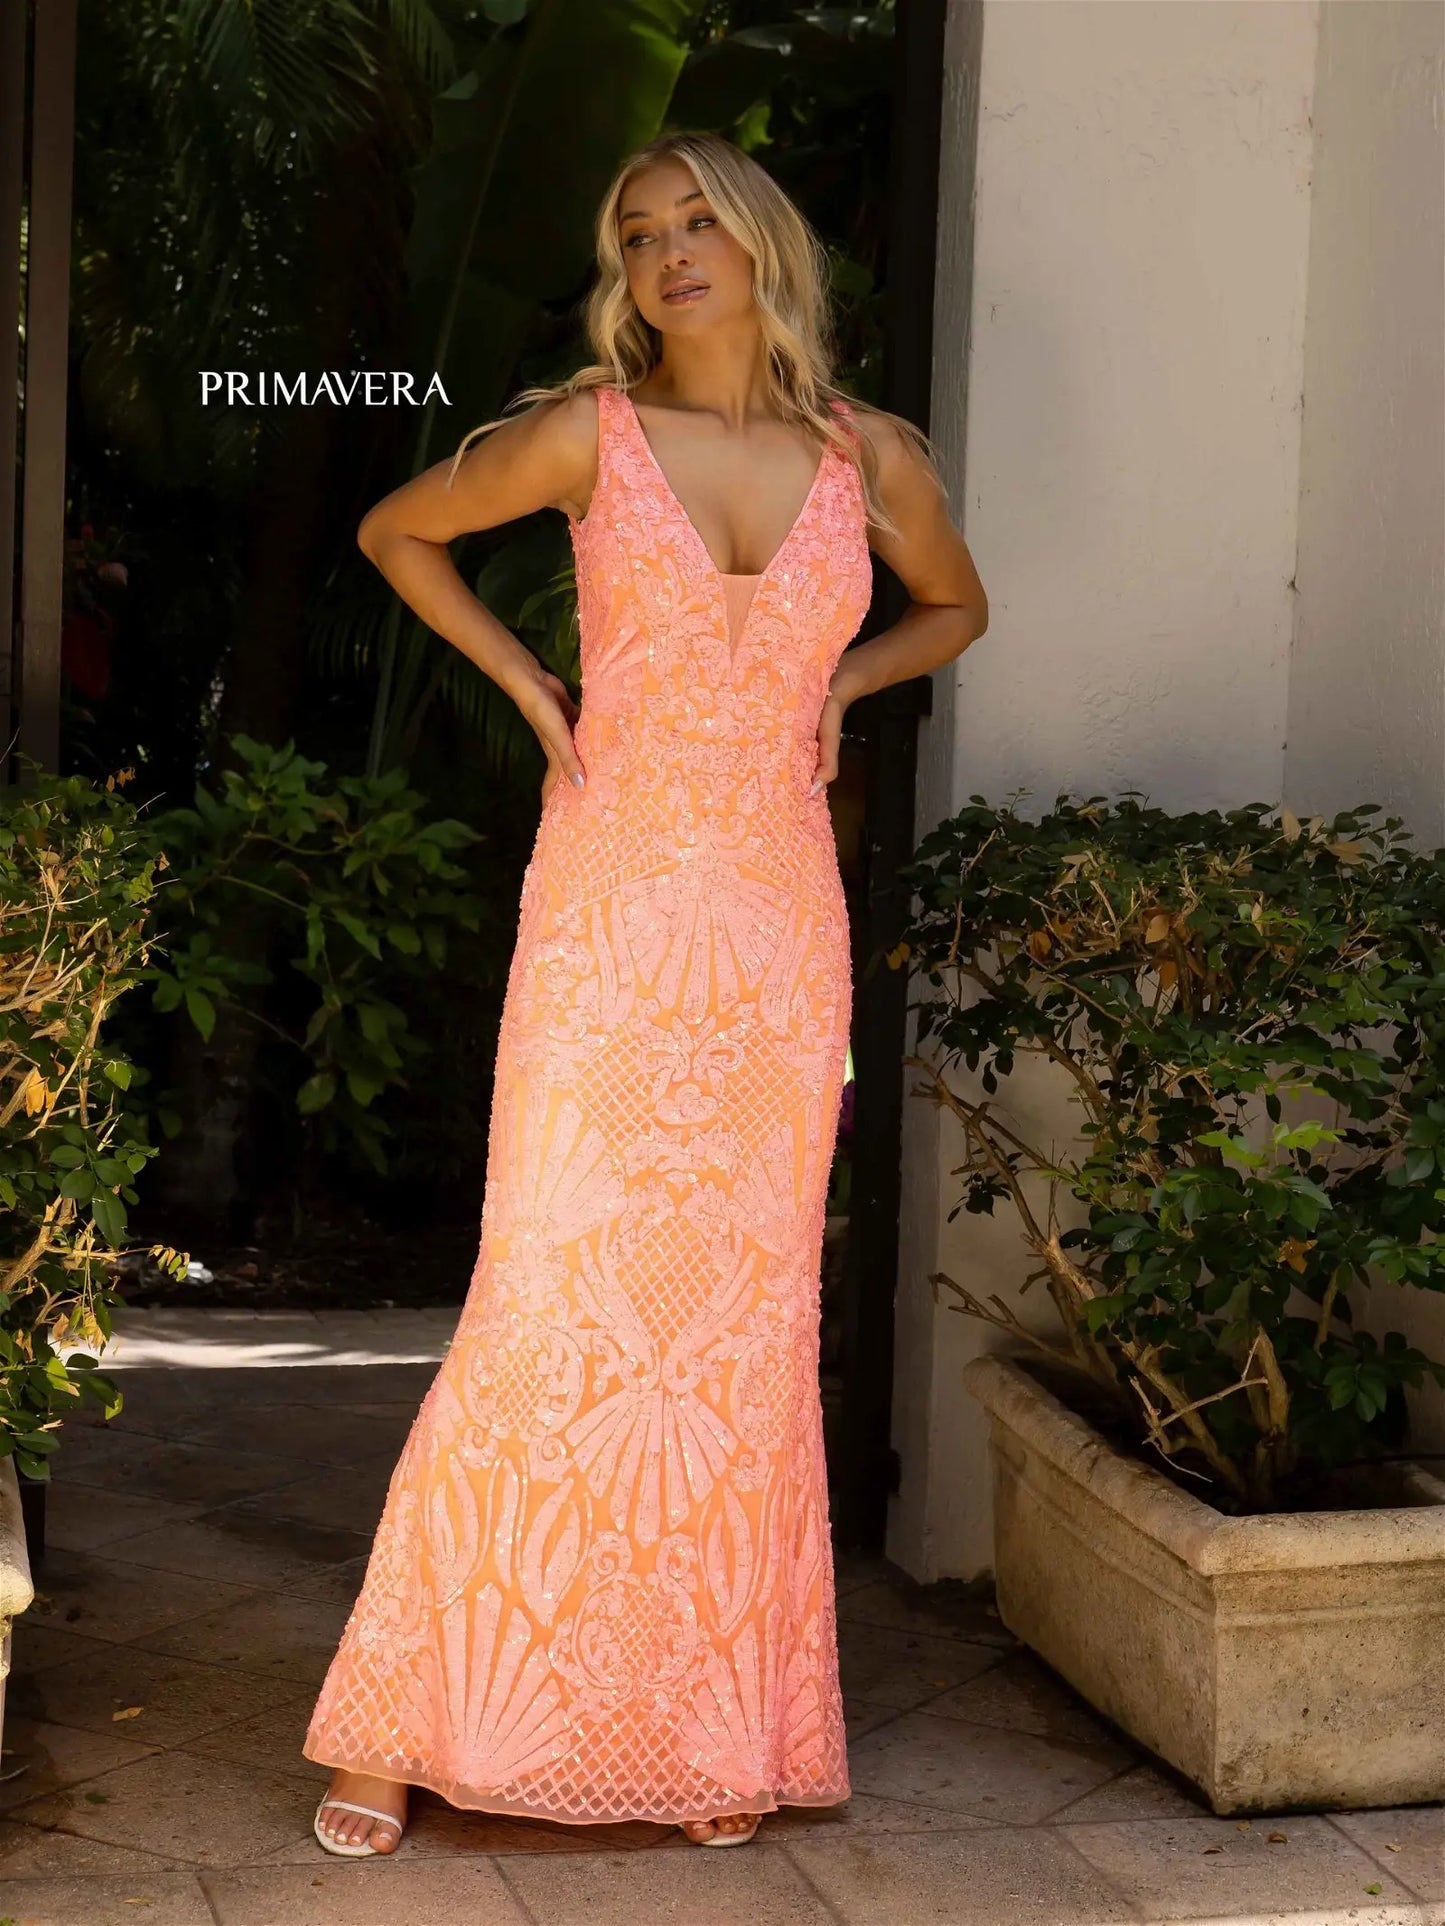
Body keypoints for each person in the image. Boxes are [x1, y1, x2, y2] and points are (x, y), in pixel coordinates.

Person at [305, 128, 987, 1856]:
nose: (669, 252)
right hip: (606, 922)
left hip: (773, 938)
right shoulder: (584, 434)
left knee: (731, 1335)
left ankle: (698, 1729)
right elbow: (397, 531)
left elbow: (957, 606)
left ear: (761, 243)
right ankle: (403, 1722)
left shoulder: (869, 456)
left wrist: (844, 683)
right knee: (547, 1298)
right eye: (637, 233)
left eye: (698, 222)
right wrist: (529, 683)